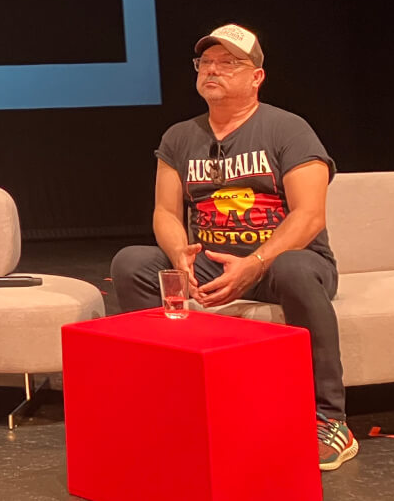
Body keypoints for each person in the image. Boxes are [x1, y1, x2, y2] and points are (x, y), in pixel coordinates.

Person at [109, 24, 355, 472]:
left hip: (284, 263)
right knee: (134, 263)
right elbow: (165, 211)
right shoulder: (179, 137)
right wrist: (180, 253)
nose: (213, 70)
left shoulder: (289, 129)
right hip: (210, 265)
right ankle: (173, 402)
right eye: (206, 62)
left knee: (297, 267)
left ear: (256, 77)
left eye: (229, 63)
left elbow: (309, 216)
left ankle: (328, 419)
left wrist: (256, 263)